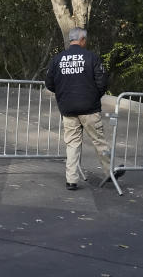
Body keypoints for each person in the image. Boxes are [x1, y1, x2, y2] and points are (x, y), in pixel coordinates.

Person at [45, 27, 124, 190]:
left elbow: (49, 84)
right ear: (82, 40)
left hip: (67, 109)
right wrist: (94, 96)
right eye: (85, 40)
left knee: (72, 144)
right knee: (99, 141)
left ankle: (71, 180)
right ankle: (109, 171)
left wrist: (63, 94)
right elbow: (102, 82)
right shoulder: (91, 57)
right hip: (89, 108)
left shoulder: (57, 59)